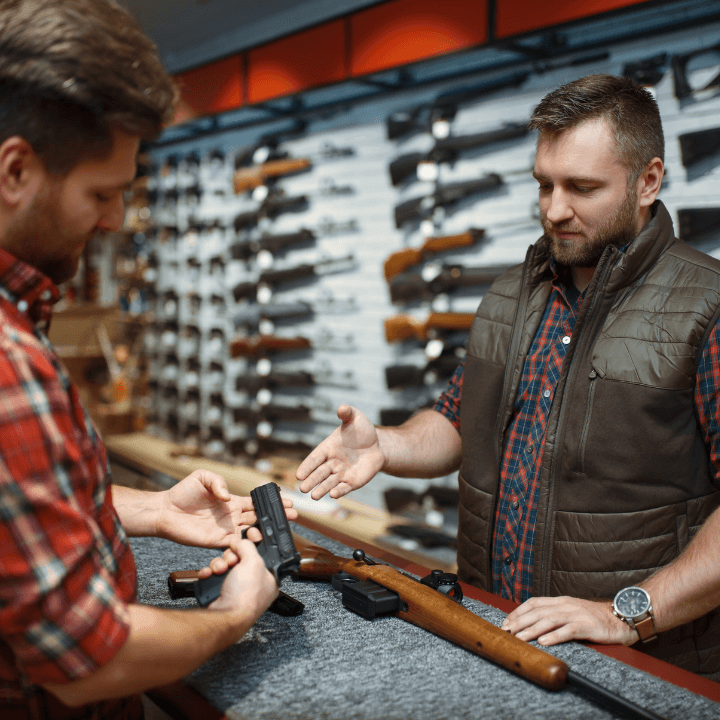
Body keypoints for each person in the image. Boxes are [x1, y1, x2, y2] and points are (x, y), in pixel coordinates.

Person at [297, 74, 720, 679]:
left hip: (641, 663)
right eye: (544, 184)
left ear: (648, 181)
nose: (554, 209)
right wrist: (386, 445)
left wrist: (628, 613)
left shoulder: (707, 305)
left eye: (582, 187)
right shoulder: (508, 296)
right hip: (493, 634)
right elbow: (459, 421)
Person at [0, 1, 297, 718]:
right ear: (15, 170)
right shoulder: (9, 364)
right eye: (101, 194)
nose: (112, 222)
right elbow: (88, 660)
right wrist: (235, 613)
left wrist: (155, 508)